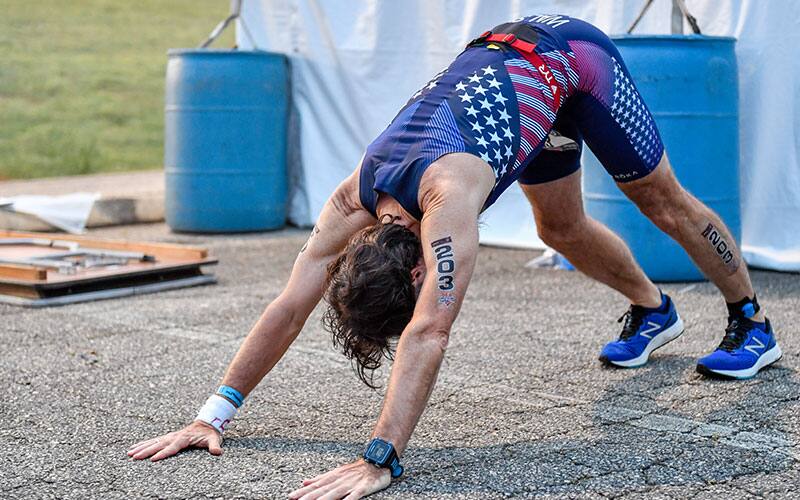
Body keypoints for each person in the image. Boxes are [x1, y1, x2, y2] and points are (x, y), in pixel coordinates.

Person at [128, 14, 781, 499]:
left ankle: (752, 322)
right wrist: (211, 414)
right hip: (517, 85)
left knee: (661, 201)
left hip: (574, 62)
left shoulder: (447, 201)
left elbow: (430, 330)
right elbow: (290, 304)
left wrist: (380, 457)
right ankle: (653, 310)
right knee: (560, 229)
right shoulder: (352, 200)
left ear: (418, 268)